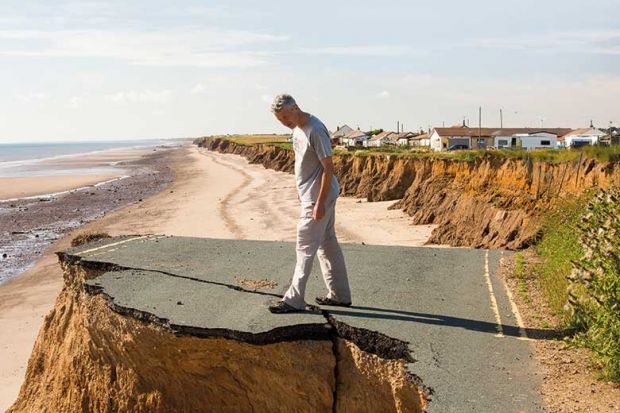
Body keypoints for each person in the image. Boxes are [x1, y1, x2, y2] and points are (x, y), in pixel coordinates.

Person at [268, 94, 352, 313]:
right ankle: (340, 295)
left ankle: (293, 300)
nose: (285, 122)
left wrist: (319, 202)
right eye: (280, 120)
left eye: (286, 117)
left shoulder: (315, 129)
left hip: (319, 197)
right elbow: (303, 163)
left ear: (295, 107)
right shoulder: (296, 130)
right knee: (328, 243)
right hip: (310, 195)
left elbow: (328, 169)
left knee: (304, 246)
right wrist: (300, 190)